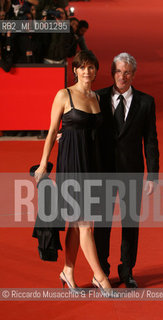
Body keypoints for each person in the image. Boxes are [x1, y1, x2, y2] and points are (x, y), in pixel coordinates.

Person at [34, 50, 112, 292]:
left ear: (96, 71)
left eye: (91, 67)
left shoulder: (98, 98)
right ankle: (101, 277)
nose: (87, 71)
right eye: (83, 67)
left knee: (78, 225)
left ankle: (67, 271)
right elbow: (51, 131)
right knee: (85, 223)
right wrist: (43, 163)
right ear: (75, 70)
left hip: (92, 165)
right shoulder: (64, 95)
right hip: (72, 165)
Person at [94, 52, 160, 288]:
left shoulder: (146, 102)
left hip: (132, 172)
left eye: (127, 72)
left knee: (130, 223)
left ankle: (127, 270)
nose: (122, 76)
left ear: (134, 74)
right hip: (103, 172)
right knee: (102, 223)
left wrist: (153, 175)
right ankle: (101, 270)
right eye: (118, 71)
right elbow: (86, 129)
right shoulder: (98, 97)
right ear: (112, 73)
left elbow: (150, 140)